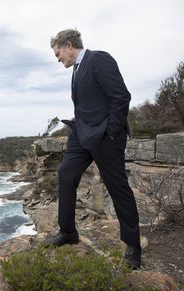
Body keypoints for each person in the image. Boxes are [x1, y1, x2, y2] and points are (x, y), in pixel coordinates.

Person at [45, 28, 141, 269]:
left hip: (105, 136)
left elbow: (121, 97)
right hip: (81, 134)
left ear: (68, 45)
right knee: (65, 174)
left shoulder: (98, 59)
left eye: (58, 54)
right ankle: (68, 232)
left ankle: (133, 246)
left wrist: (110, 132)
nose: (58, 59)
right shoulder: (76, 70)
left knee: (117, 187)